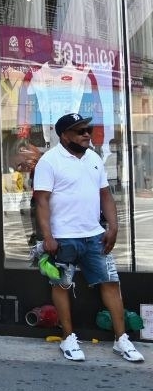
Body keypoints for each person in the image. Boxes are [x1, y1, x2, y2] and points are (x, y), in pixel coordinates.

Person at [33, 113, 144, 363]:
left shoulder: (94, 158)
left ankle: (121, 339)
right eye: (80, 131)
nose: (86, 135)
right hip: (63, 238)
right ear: (64, 135)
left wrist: (113, 226)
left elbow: (105, 194)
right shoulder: (49, 161)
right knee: (62, 285)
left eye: (88, 130)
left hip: (94, 236)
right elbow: (41, 201)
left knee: (110, 283)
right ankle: (68, 338)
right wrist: (48, 236)